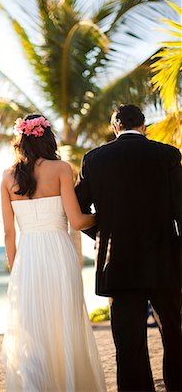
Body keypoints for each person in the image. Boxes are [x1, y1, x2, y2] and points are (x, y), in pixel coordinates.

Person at [75, 104, 182, 392]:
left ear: (115, 127)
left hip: (118, 264)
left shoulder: (93, 159)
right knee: (175, 335)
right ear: (144, 125)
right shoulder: (168, 155)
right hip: (166, 261)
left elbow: (77, 208)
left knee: (128, 344)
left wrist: (104, 233)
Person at [0, 114, 106, 392]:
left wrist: (15, 273)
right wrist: (102, 218)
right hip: (59, 254)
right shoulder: (61, 168)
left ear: (21, 140)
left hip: (27, 260)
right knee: (64, 324)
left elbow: (9, 234)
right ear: (48, 138)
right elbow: (78, 221)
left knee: (33, 330)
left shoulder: (7, 177)